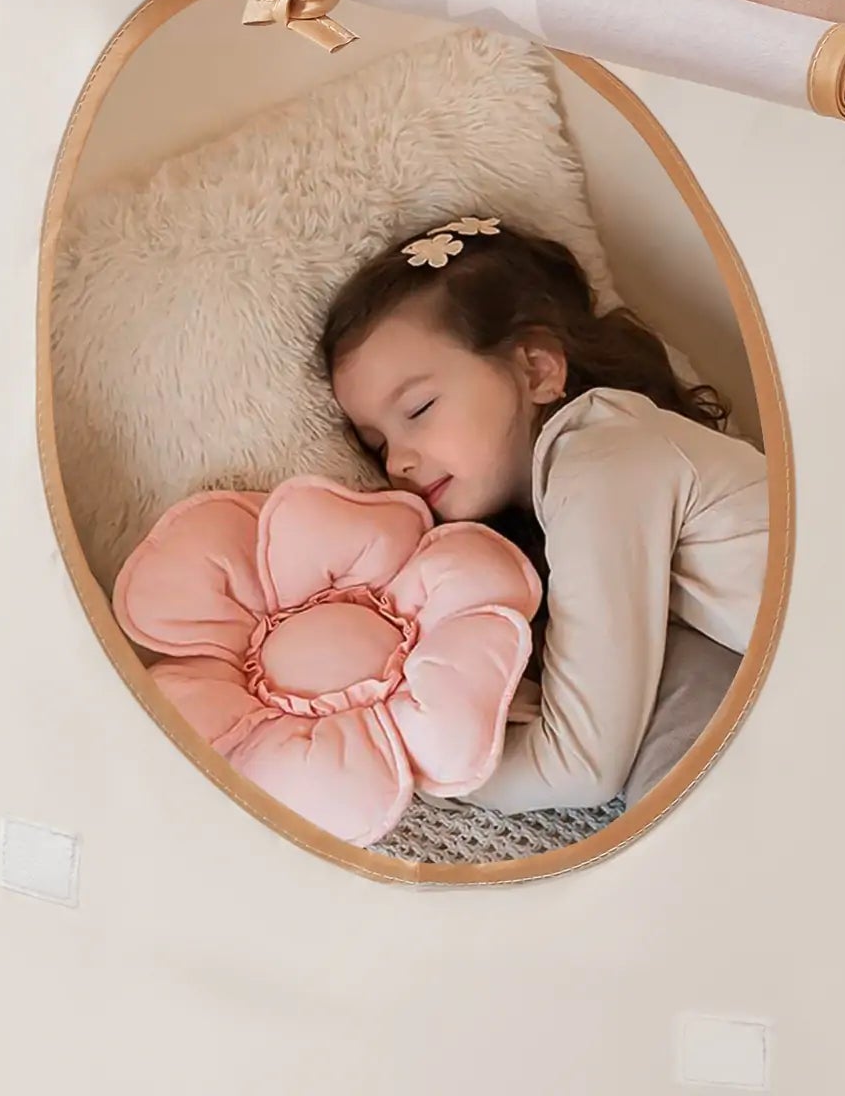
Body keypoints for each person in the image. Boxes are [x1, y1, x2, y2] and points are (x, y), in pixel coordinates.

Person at [318, 216, 768, 812]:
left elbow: (580, 765)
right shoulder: (578, 496)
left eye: (420, 408)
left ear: (536, 368)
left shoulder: (601, 463)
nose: (398, 461)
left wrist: (424, 776)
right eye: (376, 443)